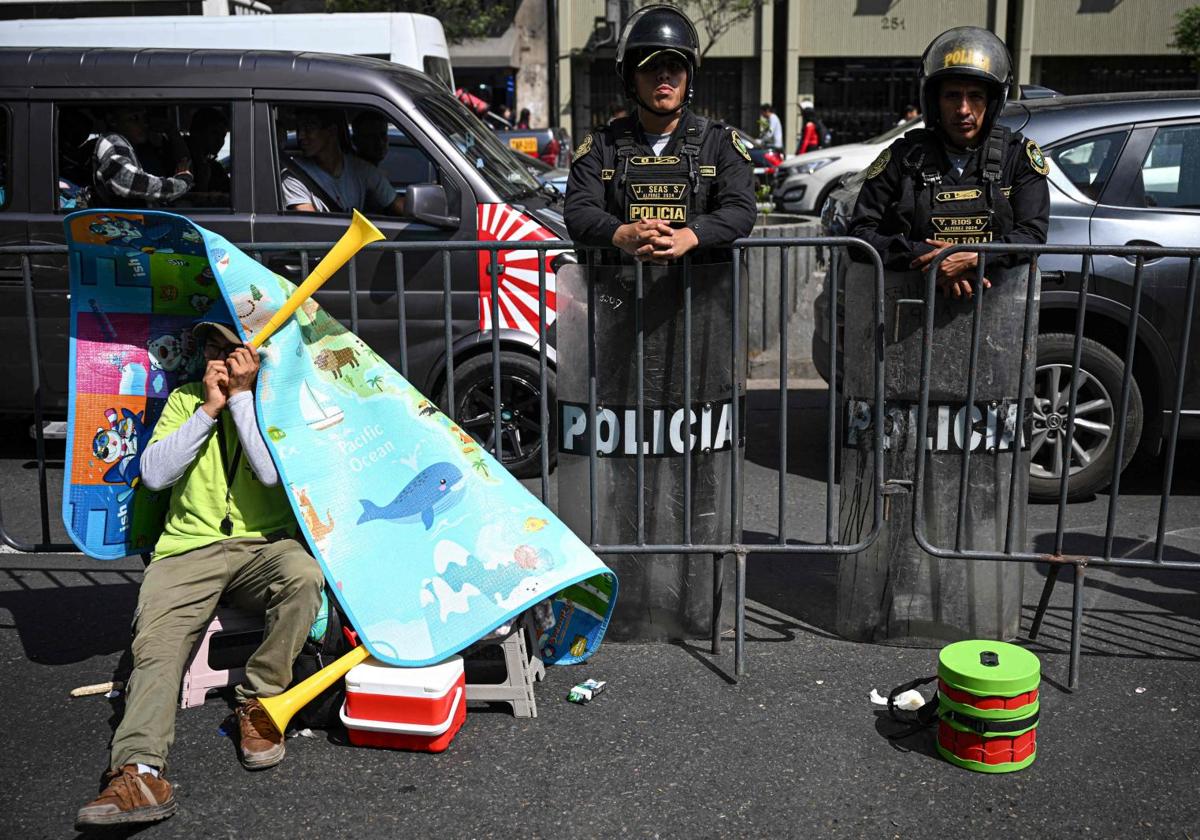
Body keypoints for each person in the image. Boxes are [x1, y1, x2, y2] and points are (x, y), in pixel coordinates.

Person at [74, 321, 325, 830]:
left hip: (263, 546)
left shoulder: (272, 403)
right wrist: (210, 407)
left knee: (303, 576)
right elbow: (155, 474)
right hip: (187, 550)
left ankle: (259, 702)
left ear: (254, 358)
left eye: (233, 351)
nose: (221, 360)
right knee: (156, 646)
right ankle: (139, 770)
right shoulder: (186, 400)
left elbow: (269, 473)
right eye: (213, 348)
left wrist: (241, 401)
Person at [848, 26, 1050, 299]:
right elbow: (860, 235)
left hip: (999, 315)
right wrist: (929, 259)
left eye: (975, 96)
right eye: (952, 95)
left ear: (992, 102)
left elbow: (1032, 234)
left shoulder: (1017, 156)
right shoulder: (904, 157)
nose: (963, 109)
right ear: (935, 101)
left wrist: (975, 258)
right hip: (909, 312)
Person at [563, 3, 756, 266]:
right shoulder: (601, 145)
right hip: (621, 295)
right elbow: (578, 210)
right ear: (631, 79)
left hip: (701, 299)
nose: (663, 75)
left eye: (674, 66)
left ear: (688, 77)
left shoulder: (720, 142)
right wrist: (620, 234)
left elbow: (740, 210)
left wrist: (689, 236)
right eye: (650, 66)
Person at [281, 107, 404, 215]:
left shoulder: (361, 170)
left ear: (332, 131)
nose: (301, 136)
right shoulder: (294, 176)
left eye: (309, 128)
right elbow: (311, 227)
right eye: (299, 129)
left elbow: (398, 206)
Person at [92, 105, 193, 207]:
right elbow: (129, 182)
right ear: (112, 120)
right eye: (134, 118)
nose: (143, 124)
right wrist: (181, 183)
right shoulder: (112, 140)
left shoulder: (139, 149)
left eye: (144, 118)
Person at [185, 106, 231, 202]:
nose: (220, 141)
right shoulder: (180, 162)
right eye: (214, 133)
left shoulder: (215, 167)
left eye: (223, 136)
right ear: (197, 132)